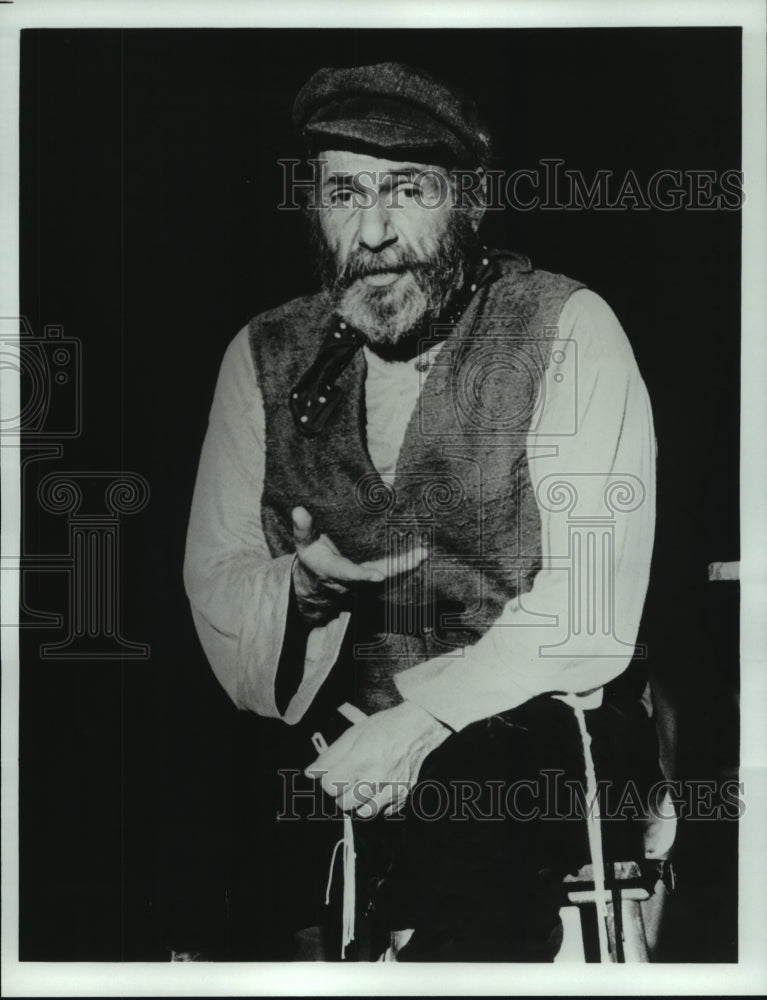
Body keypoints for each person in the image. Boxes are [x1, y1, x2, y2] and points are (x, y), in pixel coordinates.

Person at [183, 61, 662, 961]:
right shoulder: (262, 353)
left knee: (474, 800)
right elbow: (216, 575)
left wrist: (423, 723)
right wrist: (304, 592)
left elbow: (591, 604)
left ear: (469, 204)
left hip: (538, 723)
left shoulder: (564, 327)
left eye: (407, 190)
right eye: (343, 194)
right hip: (336, 733)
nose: (372, 232)